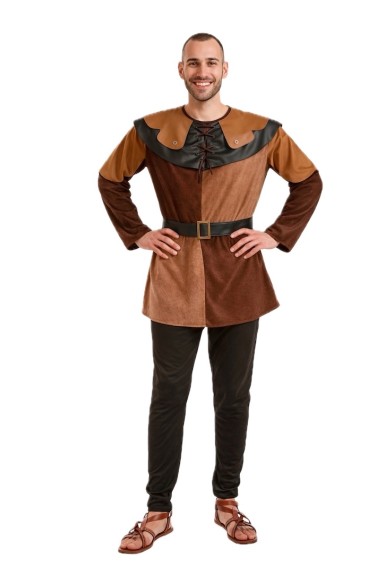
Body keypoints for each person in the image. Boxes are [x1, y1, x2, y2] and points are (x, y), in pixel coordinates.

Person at [98, 32, 323, 554]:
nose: (203, 71)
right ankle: (158, 510)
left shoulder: (264, 131)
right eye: (194, 63)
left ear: (225, 69)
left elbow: (309, 182)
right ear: (181, 69)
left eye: (212, 62)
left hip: (238, 273)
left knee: (234, 395)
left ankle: (227, 502)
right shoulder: (150, 129)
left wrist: (276, 234)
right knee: (168, 394)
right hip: (174, 272)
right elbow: (110, 180)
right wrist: (138, 233)